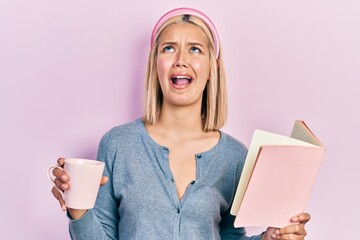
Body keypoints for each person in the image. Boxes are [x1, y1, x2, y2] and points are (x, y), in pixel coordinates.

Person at [51, 7, 311, 240]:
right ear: (156, 64)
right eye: (168, 48)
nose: (180, 59)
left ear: (213, 67)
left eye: (195, 49)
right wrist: (78, 208)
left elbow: (231, 237)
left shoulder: (235, 157)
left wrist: (269, 239)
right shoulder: (118, 144)